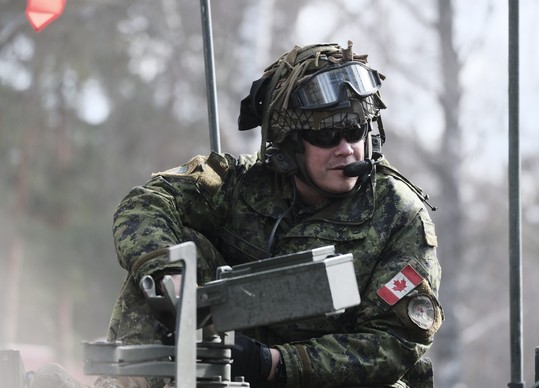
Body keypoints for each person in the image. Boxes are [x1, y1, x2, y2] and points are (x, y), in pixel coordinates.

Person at [33, 41, 443, 388]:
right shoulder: (240, 184)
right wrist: (167, 273)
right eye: (324, 135)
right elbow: (147, 202)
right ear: (290, 143)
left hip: (320, 377)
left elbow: (393, 343)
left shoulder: (399, 215)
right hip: (229, 371)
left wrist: (274, 363)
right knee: (180, 253)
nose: (345, 148)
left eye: (355, 131)